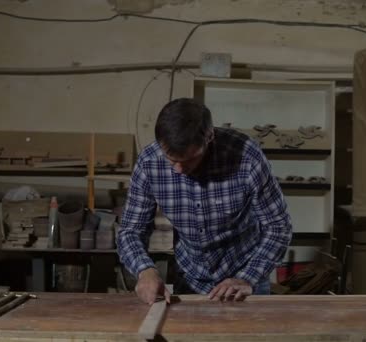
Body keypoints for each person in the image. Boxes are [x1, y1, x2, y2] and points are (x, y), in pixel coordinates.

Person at [117, 98, 292, 304]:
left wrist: (247, 277)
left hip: (244, 276)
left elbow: (278, 226)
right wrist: (144, 269)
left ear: (209, 137)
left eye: (189, 159)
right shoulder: (149, 163)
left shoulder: (247, 157)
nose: (179, 170)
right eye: (171, 159)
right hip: (190, 278)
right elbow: (131, 230)